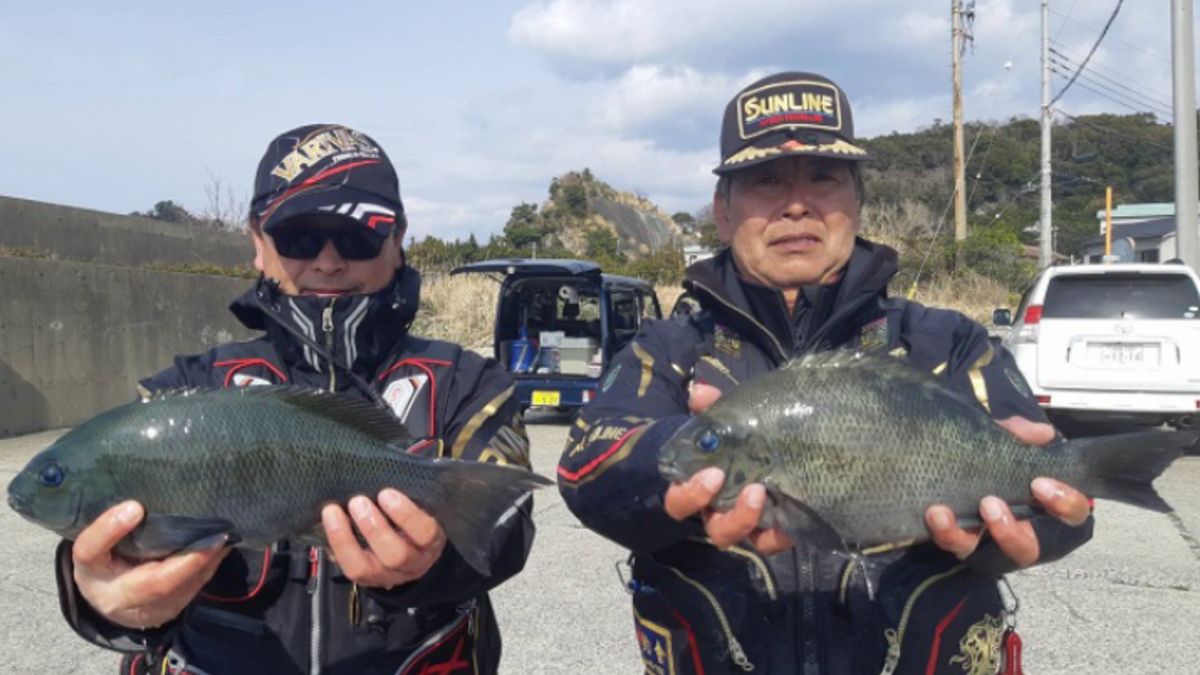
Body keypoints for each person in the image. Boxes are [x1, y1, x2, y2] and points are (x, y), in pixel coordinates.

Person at [557, 73, 1094, 674]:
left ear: (857, 200)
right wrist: (684, 459)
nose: (795, 204)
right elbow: (585, 471)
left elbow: (1064, 502)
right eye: (764, 180)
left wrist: (1038, 531)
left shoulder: (947, 342)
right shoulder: (671, 347)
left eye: (824, 177)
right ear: (722, 211)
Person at [54, 124, 535, 674]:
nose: (328, 262)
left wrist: (433, 564)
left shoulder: (468, 384)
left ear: (398, 240)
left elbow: (506, 526)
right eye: (298, 236)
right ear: (258, 244)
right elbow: (114, 528)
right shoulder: (178, 393)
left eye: (359, 235)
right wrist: (106, 598)